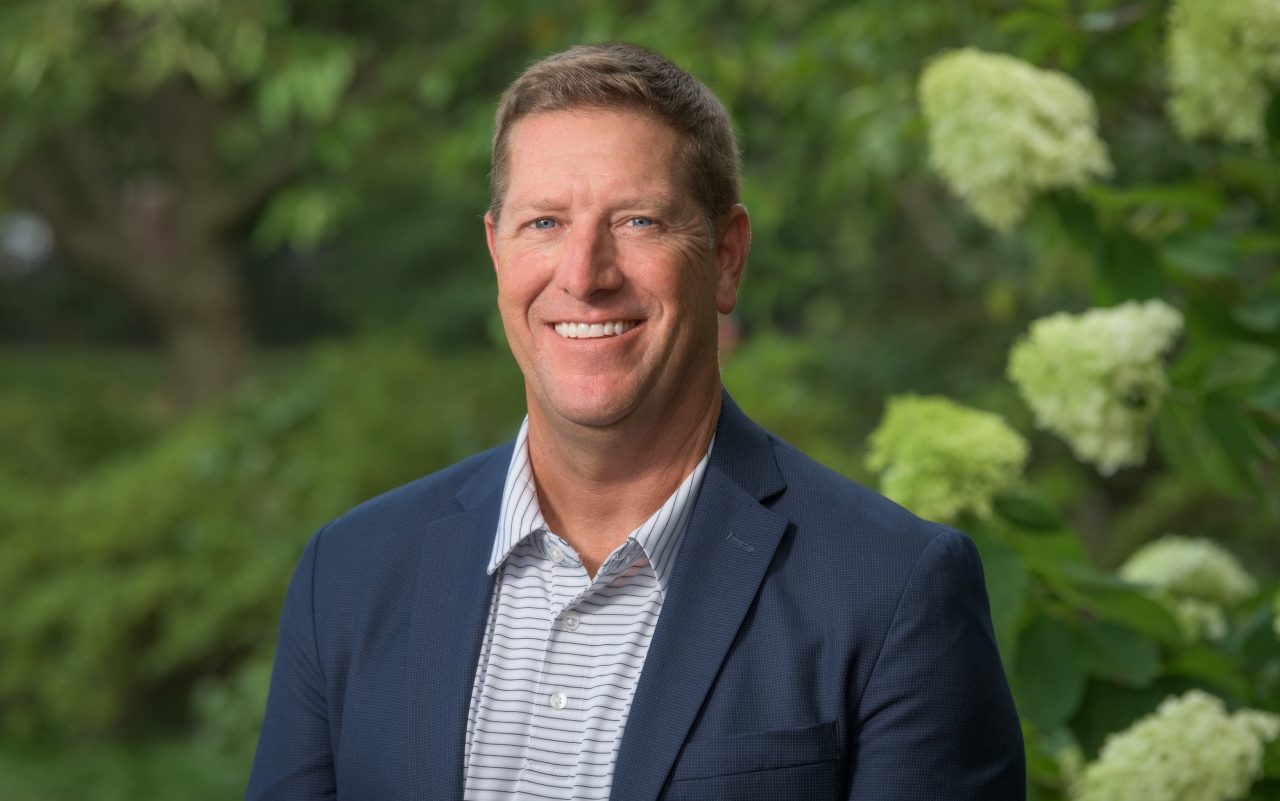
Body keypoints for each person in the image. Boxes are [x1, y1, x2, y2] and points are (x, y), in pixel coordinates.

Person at [246, 42, 1025, 801]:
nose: (584, 275)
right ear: (496, 252)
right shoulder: (347, 574)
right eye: (544, 223)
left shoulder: (892, 592)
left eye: (639, 222)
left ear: (725, 258)